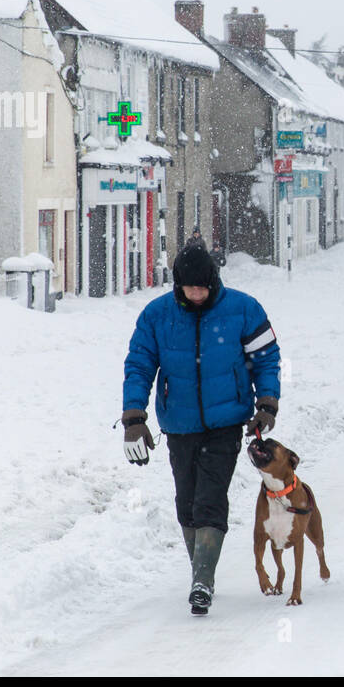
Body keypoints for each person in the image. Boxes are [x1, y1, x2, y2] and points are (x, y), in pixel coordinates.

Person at [121, 243, 282, 616]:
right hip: (179, 423)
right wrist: (134, 418)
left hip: (226, 422)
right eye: (190, 288)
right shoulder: (156, 316)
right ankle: (200, 569)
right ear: (178, 286)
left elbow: (266, 359)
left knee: (210, 498)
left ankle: (202, 581)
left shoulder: (243, 309)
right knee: (187, 500)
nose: (197, 294)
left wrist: (267, 403)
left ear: (214, 282)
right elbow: (139, 365)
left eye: (203, 288)